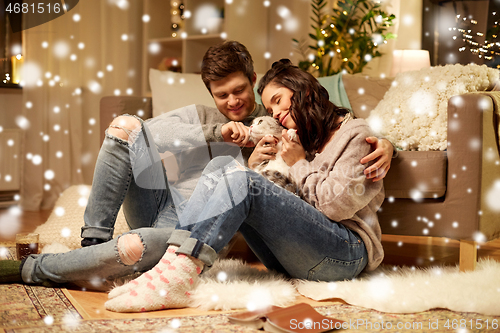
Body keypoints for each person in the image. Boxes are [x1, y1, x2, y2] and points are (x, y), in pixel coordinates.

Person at [0, 42, 391, 293]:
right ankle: (93, 249)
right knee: (124, 129)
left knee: (141, 244)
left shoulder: (284, 131)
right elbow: (144, 136)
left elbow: (309, 185)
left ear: (253, 82)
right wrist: (214, 132)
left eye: (241, 91)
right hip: (166, 204)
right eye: (222, 95)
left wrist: (387, 144)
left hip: (195, 228)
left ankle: (32, 269)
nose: (235, 101)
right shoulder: (214, 118)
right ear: (210, 95)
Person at [102, 59, 385, 313]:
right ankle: (171, 267)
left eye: (278, 100)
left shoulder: (357, 135)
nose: (275, 114)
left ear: (303, 90)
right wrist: (269, 164)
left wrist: (297, 162)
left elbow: (334, 207)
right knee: (223, 168)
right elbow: (294, 205)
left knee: (243, 180)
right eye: (271, 108)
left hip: (345, 255)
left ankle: (179, 275)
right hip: (295, 258)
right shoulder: (306, 137)